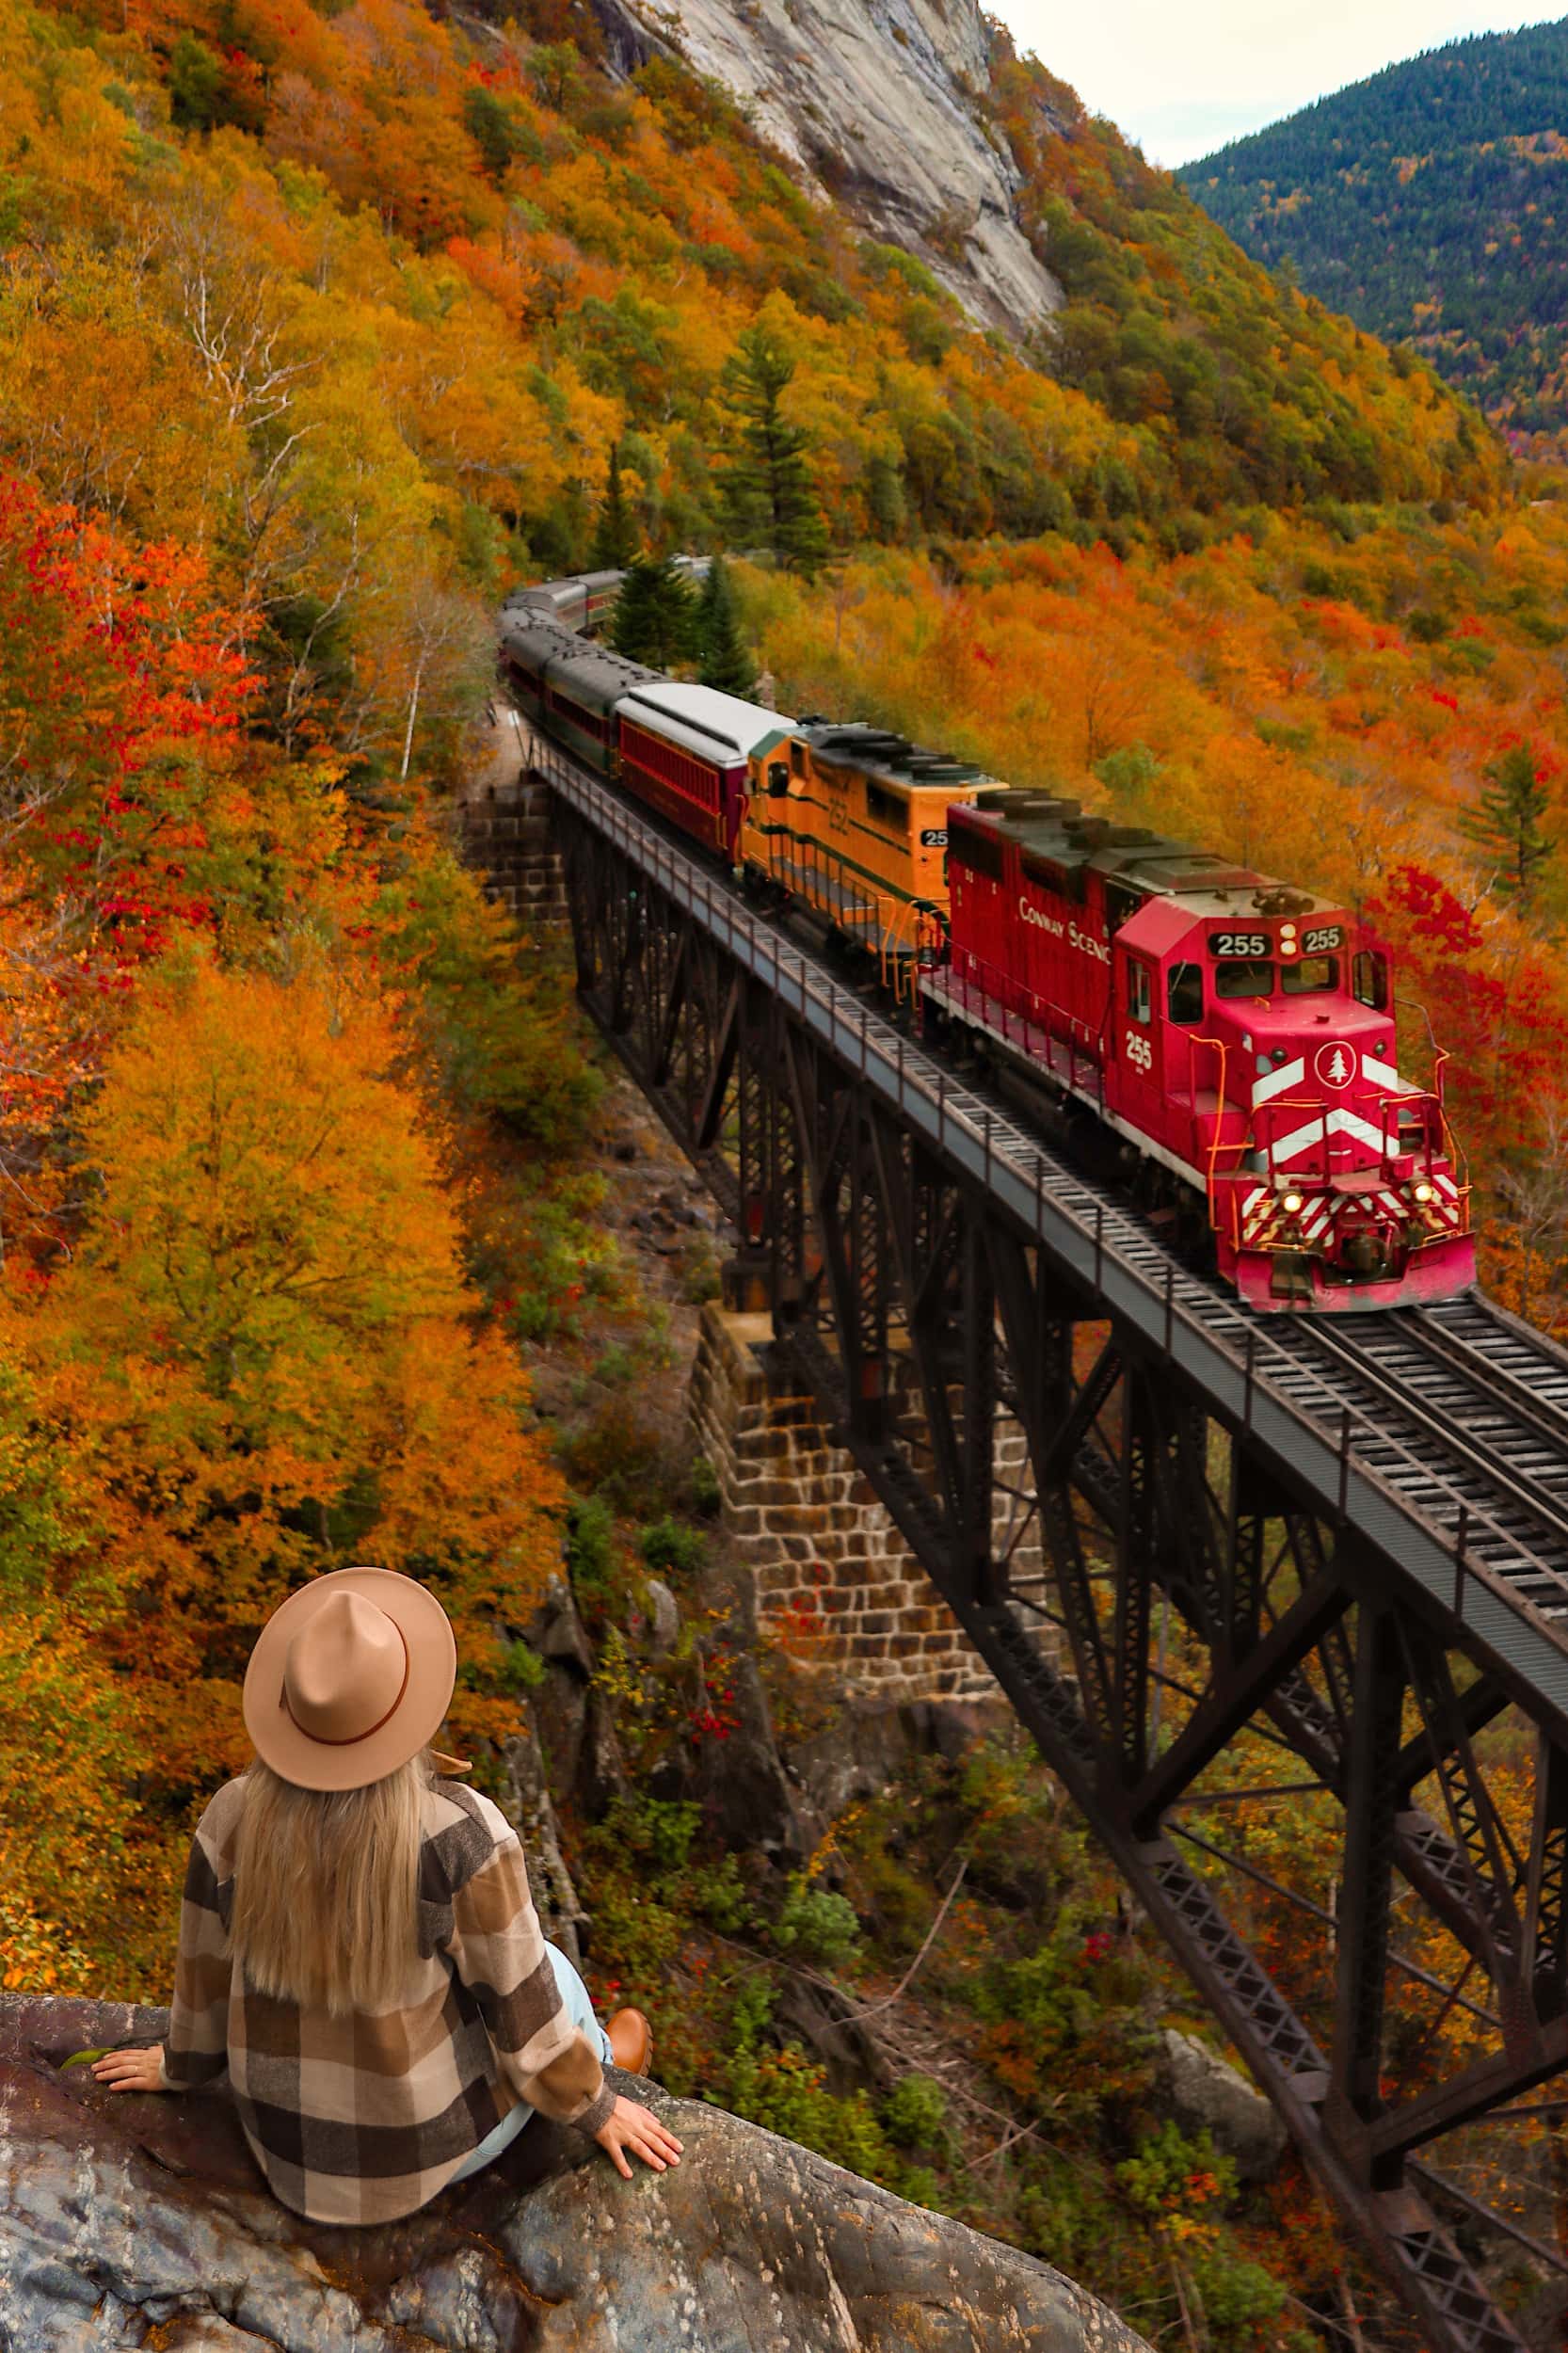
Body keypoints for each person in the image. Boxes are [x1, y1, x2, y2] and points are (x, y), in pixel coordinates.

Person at [92, 1567, 682, 2224]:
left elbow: (202, 1977)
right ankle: (603, 2057)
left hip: (287, 2153)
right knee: (552, 1968)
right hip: (420, 2157)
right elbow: (523, 2018)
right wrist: (596, 2107)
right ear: (405, 1708)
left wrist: (178, 2065)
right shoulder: (460, 1832)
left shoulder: (230, 1817)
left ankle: (599, 2051)